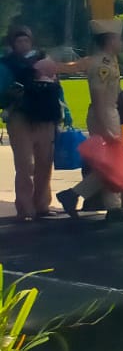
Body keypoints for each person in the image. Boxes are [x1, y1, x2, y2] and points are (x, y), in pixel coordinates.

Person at [57, 19, 123, 220]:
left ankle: (102, 203)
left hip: (109, 111)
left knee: (111, 165)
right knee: (112, 165)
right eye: (119, 38)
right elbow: (98, 98)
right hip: (104, 113)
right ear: (110, 40)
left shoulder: (110, 60)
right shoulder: (101, 64)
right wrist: (105, 128)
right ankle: (89, 199)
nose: (122, 42)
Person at [2, 25, 64, 221]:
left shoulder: (43, 60)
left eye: (26, 40)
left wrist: (65, 114)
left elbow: (57, 88)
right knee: (25, 165)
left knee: (45, 163)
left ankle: (42, 204)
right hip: (20, 117)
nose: (23, 44)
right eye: (19, 41)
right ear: (12, 44)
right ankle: (25, 208)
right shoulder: (6, 65)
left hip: (45, 116)